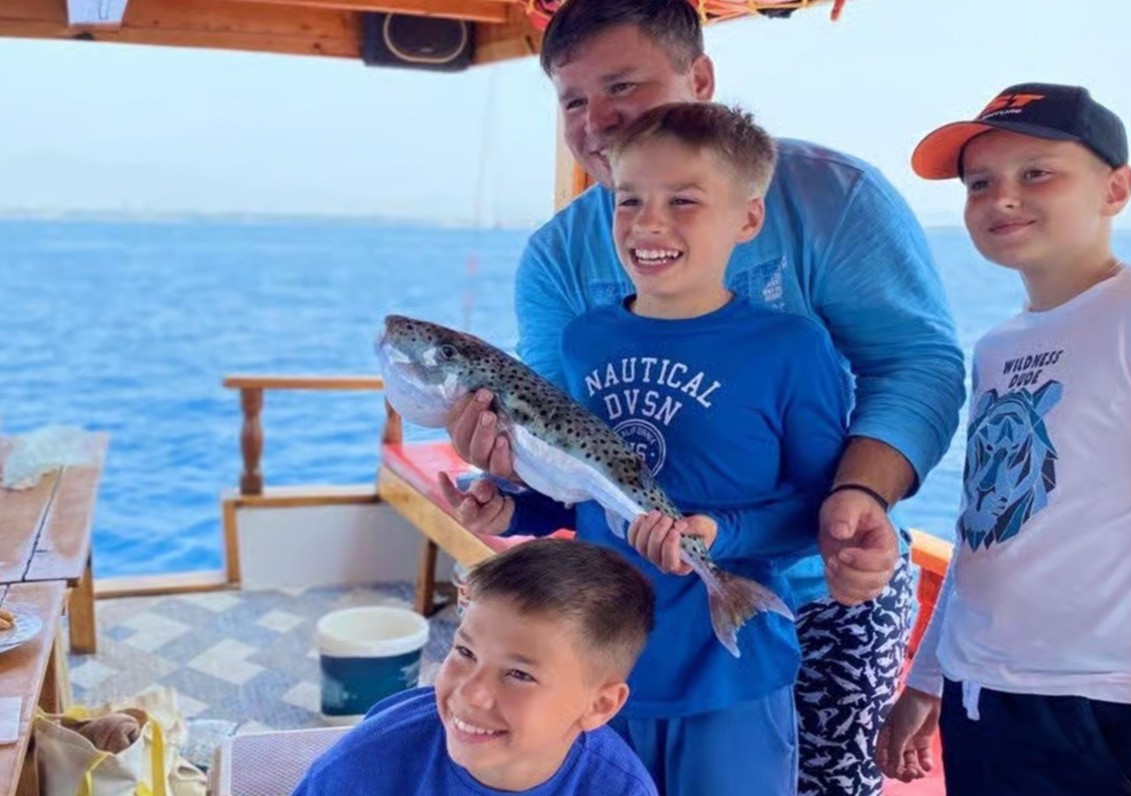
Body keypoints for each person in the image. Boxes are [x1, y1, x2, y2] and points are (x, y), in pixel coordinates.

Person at [442, 1, 966, 792]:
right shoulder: (558, 257)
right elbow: (562, 438)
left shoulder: (832, 197)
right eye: (574, 101)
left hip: (834, 571)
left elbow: (917, 363)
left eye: (623, 85)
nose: (598, 120)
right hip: (635, 610)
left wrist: (856, 497)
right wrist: (508, 481)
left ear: (702, 77)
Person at [445, 100, 848, 795]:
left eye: (683, 200)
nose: (649, 222)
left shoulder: (791, 348)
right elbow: (583, 492)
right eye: (629, 199)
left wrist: (721, 533)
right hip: (592, 669)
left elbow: (821, 512)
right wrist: (512, 510)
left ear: (748, 218)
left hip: (729, 673)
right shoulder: (586, 340)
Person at [877, 82, 1131, 796]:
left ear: (1116, 189)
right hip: (982, 698)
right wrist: (928, 679)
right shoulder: (998, 346)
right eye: (979, 183)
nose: (1002, 198)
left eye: (1036, 173)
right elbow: (987, 531)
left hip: (1107, 705)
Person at [291, 538, 657, 796]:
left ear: (600, 705)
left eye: (519, 674)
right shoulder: (366, 762)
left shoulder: (622, 788)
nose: (471, 693)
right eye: (465, 652)